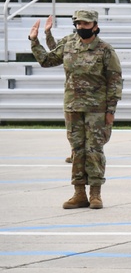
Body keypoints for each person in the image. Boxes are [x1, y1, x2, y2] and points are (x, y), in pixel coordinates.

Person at [29, 9, 122, 210]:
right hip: (73, 107)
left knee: (94, 150)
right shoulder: (68, 45)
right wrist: (34, 41)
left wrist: (111, 111)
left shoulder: (105, 50)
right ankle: (79, 193)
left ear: (95, 26)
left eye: (86, 24)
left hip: (97, 109)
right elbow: (46, 61)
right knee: (77, 150)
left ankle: (95, 193)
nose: (82, 27)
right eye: (79, 24)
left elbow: (115, 81)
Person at [42, 17, 75, 165]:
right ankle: (75, 153)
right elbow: (55, 52)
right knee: (72, 130)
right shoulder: (69, 40)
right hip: (73, 95)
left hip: (91, 95)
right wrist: (48, 33)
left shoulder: (95, 44)